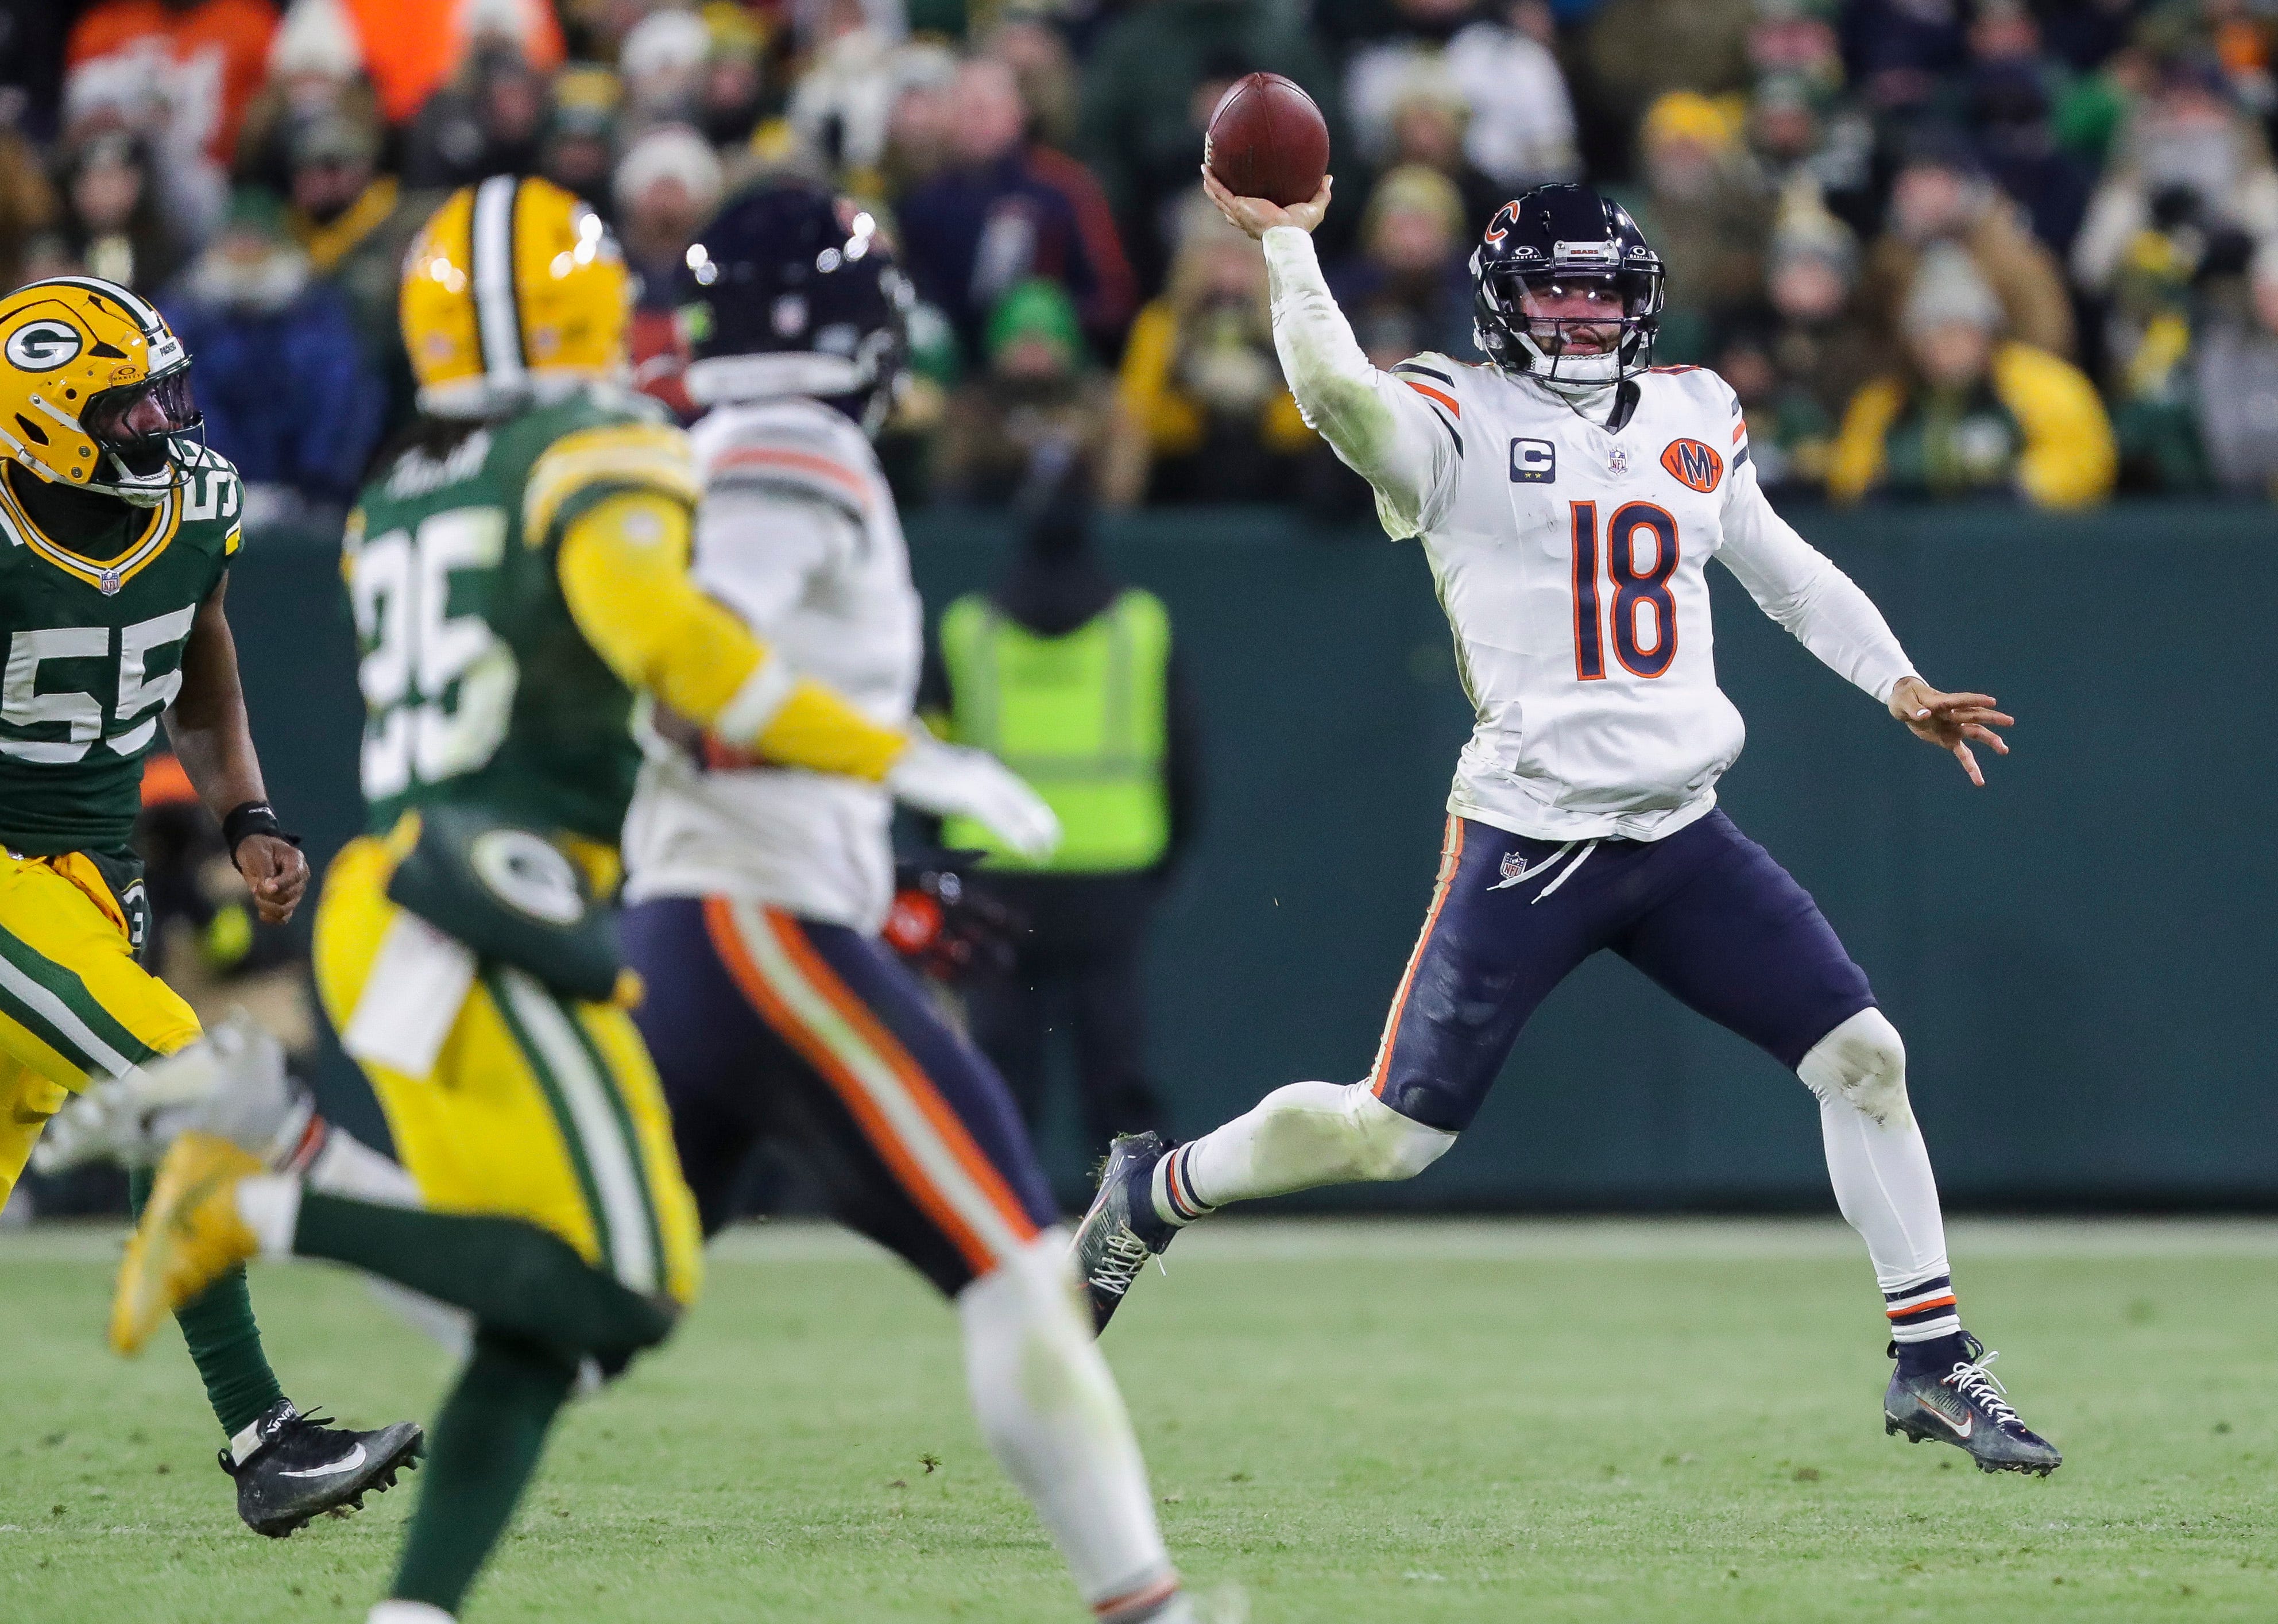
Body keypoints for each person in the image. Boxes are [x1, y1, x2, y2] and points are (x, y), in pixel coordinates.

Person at [102, 173, 1086, 1624]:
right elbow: (679, 661)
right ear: (586, 306)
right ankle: (265, 1184)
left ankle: (412, 1601)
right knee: (622, 1289)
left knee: (539, 1314)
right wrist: (906, 762)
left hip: (410, 893)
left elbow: (585, 707)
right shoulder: (593, 446)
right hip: (494, 899)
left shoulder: (407, 486)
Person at [1072, 175, 2064, 1479]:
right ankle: (1152, 1194)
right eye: (1555, 288)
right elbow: (1330, 395)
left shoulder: (1693, 410)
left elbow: (1776, 566)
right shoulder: (1453, 416)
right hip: (1530, 841)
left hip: (1679, 834)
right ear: (1500, 297)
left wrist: (1893, 680)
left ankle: (1930, 1360)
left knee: (1863, 1056)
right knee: (1391, 1137)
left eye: (1602, 290)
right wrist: (1289, 244)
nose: (1583, 315)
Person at [619, 181, 1202, 1624]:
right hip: (752, 930)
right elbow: (704, 698)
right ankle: (1152, 1611)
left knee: (580, 1310)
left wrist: (878, 874)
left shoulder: (721, 442)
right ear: (823, 327)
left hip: (723, 916)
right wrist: (916, 767)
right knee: (1015, 1265)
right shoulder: (790, 448)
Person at [0, 273, 420, 1535]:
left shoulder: (196, 506)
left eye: (167, 399)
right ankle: (265, 1439)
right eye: (132, 412)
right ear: (41, 422)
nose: (165, 430)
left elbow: (203, 654)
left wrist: (246, 811)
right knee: (188, 1075)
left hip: (84, 889)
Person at [928, 486, 1204, 1161]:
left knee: (999, 1056)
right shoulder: (1139, 625)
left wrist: (939, 851)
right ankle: (1136, 1205)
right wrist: (1171, 854)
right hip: (1111, 866)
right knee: (1113, 1051)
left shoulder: (969, 630)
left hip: (995, 869)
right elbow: (1182, 751)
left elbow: (926, 751)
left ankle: (996, 1205)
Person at [1828, 243, 2114, 506]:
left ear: (1988, 334)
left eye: (1963, 331)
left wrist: (2024, 488)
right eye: (1936, 332)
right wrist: (1876, 491)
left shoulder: (2038, 384)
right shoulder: (1885, 400)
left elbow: (2083, 456)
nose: (1950, 346)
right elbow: (1852, 466)